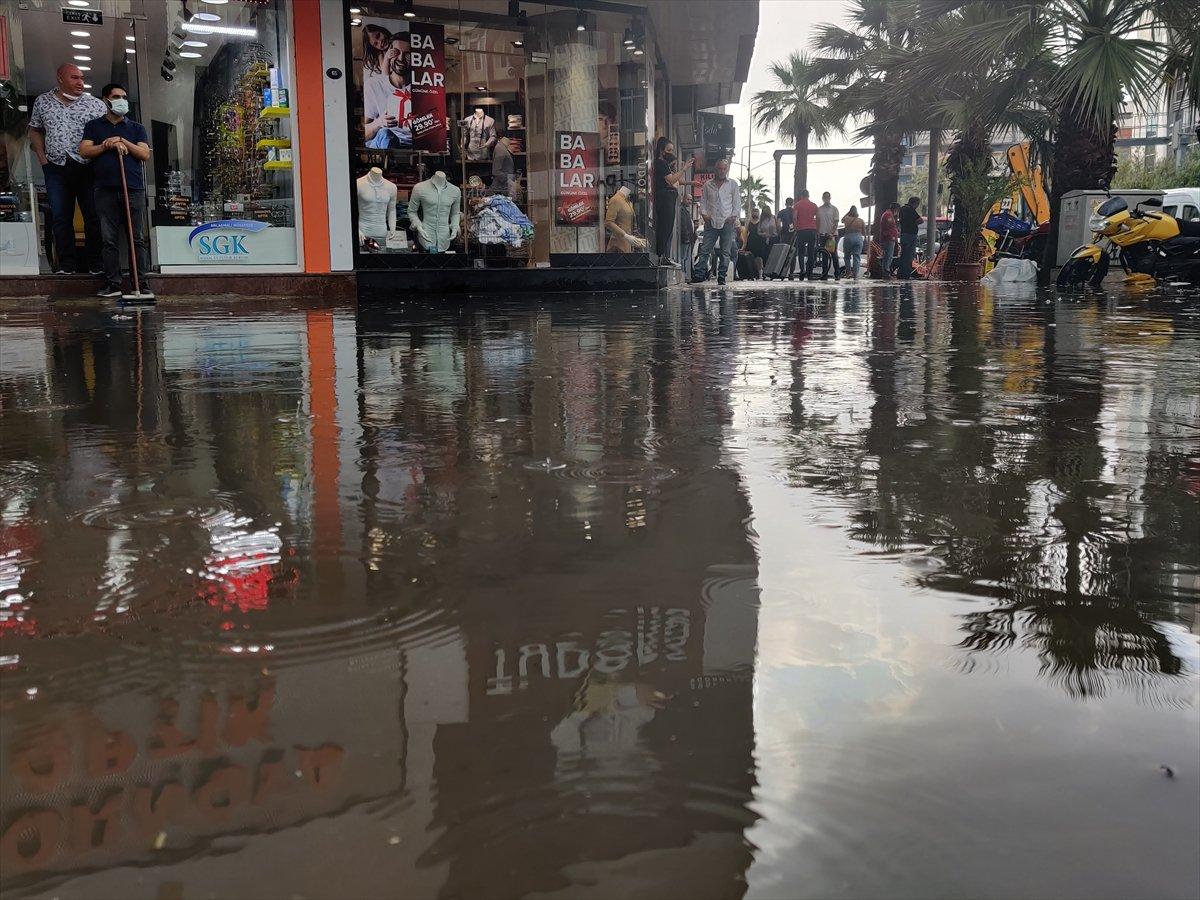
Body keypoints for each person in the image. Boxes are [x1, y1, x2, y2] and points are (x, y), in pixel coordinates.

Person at [28, 63, 107, 274]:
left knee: (93, 215)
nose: (80, 82)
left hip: (87, 166)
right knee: (61, 216)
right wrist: (42, 158)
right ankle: (67, 265)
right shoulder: (43, 101)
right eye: (74, 78)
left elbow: (105, 132)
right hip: (55, 166)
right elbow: (35, 130)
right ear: (60, 78)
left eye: (82, 78)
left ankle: (96, 263)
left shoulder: (95, 104)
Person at [79, 83, 151, 298]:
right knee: (108, 239)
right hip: (104, 189)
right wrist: (106, 145)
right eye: (117, 97)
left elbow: (144, 154)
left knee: (136, 238)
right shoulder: (94, 126)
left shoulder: (136, 128)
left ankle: (141, 282)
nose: (122, 101)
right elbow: (84, 151)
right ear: (106, 100)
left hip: (133, 188)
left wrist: (122, 140)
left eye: (124, 97)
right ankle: (113, 283)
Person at [690, 158, 741, 287]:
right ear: (715, 169)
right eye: (719, 168)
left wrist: (733, 217)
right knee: (705, 250)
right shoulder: (708, 185)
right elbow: (703, 202)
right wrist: (704, 215)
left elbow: (737, 203)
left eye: (724, 169)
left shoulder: (733, 184)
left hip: (727, 222)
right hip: (711, 222)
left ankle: (722, 277)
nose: (722, 171)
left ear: (727, 170)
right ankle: (699, 275)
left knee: (725, 251)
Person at [364, 34, 412, 148]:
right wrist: (379, 122)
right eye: (396, 52)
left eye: (407, 55)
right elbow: (364, 135)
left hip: (416, 147)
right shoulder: (374, 85)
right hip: (385, 145)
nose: (401, 58)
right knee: (385, 134)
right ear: (389, 54)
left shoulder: (423, 87)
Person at [652, 137, 693, 265]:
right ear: (661, 150)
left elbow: (676, 180)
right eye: (669, 150)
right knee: (665, 228)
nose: (671, 153)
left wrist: (691, 182)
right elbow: (672, 180)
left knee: (668, 228)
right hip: (665, 197)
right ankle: (661, 256)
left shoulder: (665, 164)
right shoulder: (661, 163)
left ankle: (664, 255)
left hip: (668, 197)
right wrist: (684, 168)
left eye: (672, 150)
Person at [792, 189, 818, 279]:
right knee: (811, 252)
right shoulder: (814, 205)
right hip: (812, 230)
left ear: (801, 196)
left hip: (801, 230)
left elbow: (794, 218)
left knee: (801, 252)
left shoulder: (797, 205)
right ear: (808, 195)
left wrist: (796, 228)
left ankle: (802, 270)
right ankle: (809, 272)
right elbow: (818, 217)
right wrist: (817, 228)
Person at [816, 191, 841, 280]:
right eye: (824, 197)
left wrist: (832, 233)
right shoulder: (819, 209)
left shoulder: (834, 209)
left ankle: (837, 274)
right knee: (824, 255)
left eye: (828, 197)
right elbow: (817, 221)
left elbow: (836, 222)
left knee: (834, 255)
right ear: (822, 198)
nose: (826, 199)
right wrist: (817, 232)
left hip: (832, 235)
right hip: (822, 234)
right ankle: (824, 274)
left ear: (830, 198)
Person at [898, 195, 924, 278]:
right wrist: (914, 223)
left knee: (903, 255)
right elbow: (920, 220)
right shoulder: (910, 209)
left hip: (904, 234)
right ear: (915, 203)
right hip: (910, 235)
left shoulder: (902, 209)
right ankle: (906, 274)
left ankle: (901, 273)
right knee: (909, 256)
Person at [841, 205, 866, 278]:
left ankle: (848, 273)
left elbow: (841, 220)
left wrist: (848, 213)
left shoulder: (846, 219)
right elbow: (864, 232)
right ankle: (855, 275)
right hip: (858, 237)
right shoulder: (861, 220)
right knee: (857, 257)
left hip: (848, 237)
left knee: (847, 256)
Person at [879, 202, 899, 278]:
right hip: (888, 239)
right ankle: (886, 272)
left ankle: (886, 272)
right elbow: (888, 227)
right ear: (895, 209)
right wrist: (893, 235)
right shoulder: (888, 215)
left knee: (888, 256)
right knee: (888, 256)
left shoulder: (888, 214)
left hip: (889, 238)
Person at [777, 197, 796, 276]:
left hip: (784, 234)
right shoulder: (795, 211)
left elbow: (778, 224)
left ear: (785, 203)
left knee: (783, 253)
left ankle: (781, 272)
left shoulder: (781, 212)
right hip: (794, 234)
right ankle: (791, 273)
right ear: (793, 203)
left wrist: (779, 232)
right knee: (793, 253)